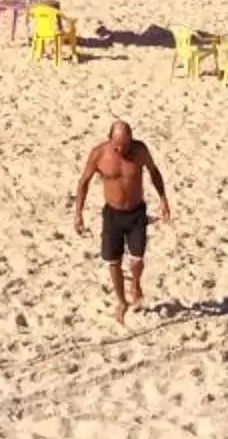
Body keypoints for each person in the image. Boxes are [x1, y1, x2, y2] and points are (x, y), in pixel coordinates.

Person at [70, 119, 171, 322]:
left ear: (131, 140)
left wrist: (163, 199)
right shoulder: (99, 154)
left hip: (136, 212)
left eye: (124, 145)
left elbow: (154, 172)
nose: (120, 149)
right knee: (113, 260)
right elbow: (84, 182)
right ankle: (121, 300)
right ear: (110, 139)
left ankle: (135, 283)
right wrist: (78, 213)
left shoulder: (140, 151)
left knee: (137, 259)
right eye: (116, 145)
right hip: (113, 214)